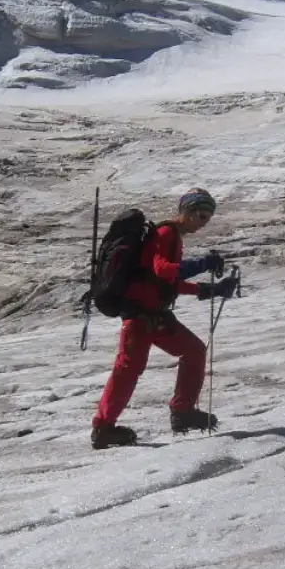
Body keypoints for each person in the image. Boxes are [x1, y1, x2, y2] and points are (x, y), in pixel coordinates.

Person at [91, 188, 238, 449]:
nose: (204, 222)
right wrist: (203, 264)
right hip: (140, 317)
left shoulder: (173, 236)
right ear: (188, 212)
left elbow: (167, 283)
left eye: (208, 217)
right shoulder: (167, 233)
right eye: (202, 215)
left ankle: (182, 411)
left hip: (153, 315)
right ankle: (103, 428)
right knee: (128, 371)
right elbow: (163, 271)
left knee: (193, 351)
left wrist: (209, 289)